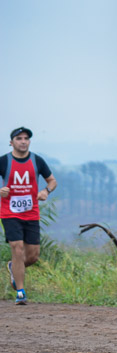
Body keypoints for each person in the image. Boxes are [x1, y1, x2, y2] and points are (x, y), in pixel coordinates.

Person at [1, 127, 57, 305]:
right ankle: (20, 292)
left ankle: (13, 268)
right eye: (19, 138)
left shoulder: (37, 160)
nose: (23, 141)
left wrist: (46, 191)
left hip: (31, 213)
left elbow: (52, 180)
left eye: (26, 138)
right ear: (11, 142)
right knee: (17, 249)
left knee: (32, 256)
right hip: (9, 212)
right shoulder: (4, 161)